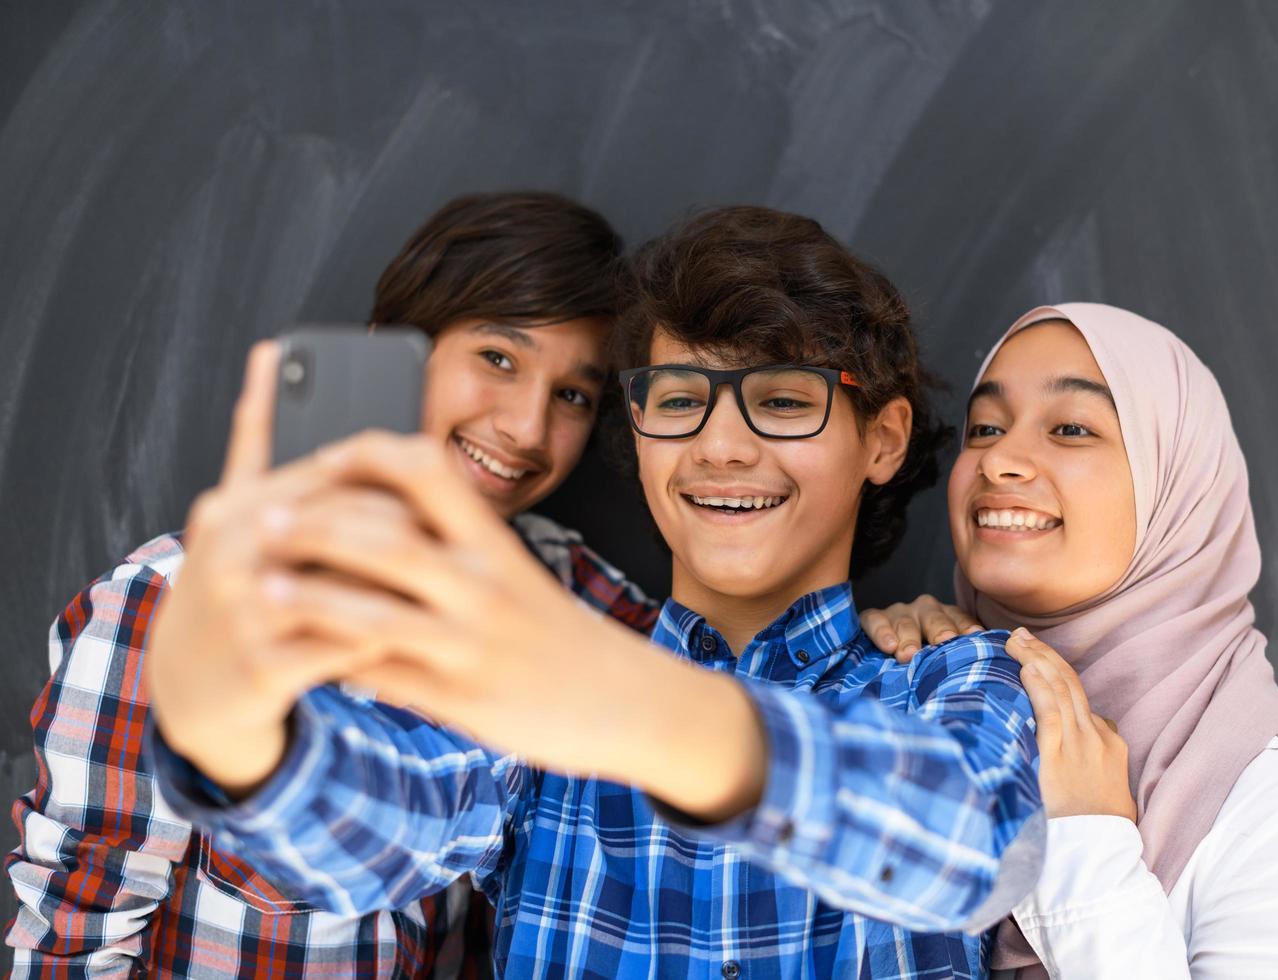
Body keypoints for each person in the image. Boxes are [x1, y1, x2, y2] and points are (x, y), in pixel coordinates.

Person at [142, 206, 1048, 978]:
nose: (720, 447)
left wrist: (644, 715)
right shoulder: (539, 700)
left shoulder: (951, 677)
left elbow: (980, 848)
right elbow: (389, 816)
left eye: (780, 401)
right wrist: (233, 736)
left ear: (884, 440)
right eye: (680, 397)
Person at [4, 191, 662, 977]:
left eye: (573, 396)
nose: (525, 427)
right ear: (396, 347)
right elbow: (74, 940)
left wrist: (851, 634)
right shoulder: (175, 600)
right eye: (498, 358)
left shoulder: (568, 596)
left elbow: (720, 681)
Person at [885, 303, 1278, 978]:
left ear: (1176, 484)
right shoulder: (916, 698)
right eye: (984, 427)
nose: (1000, 458)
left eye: (1070, 428)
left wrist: (1085, 841)